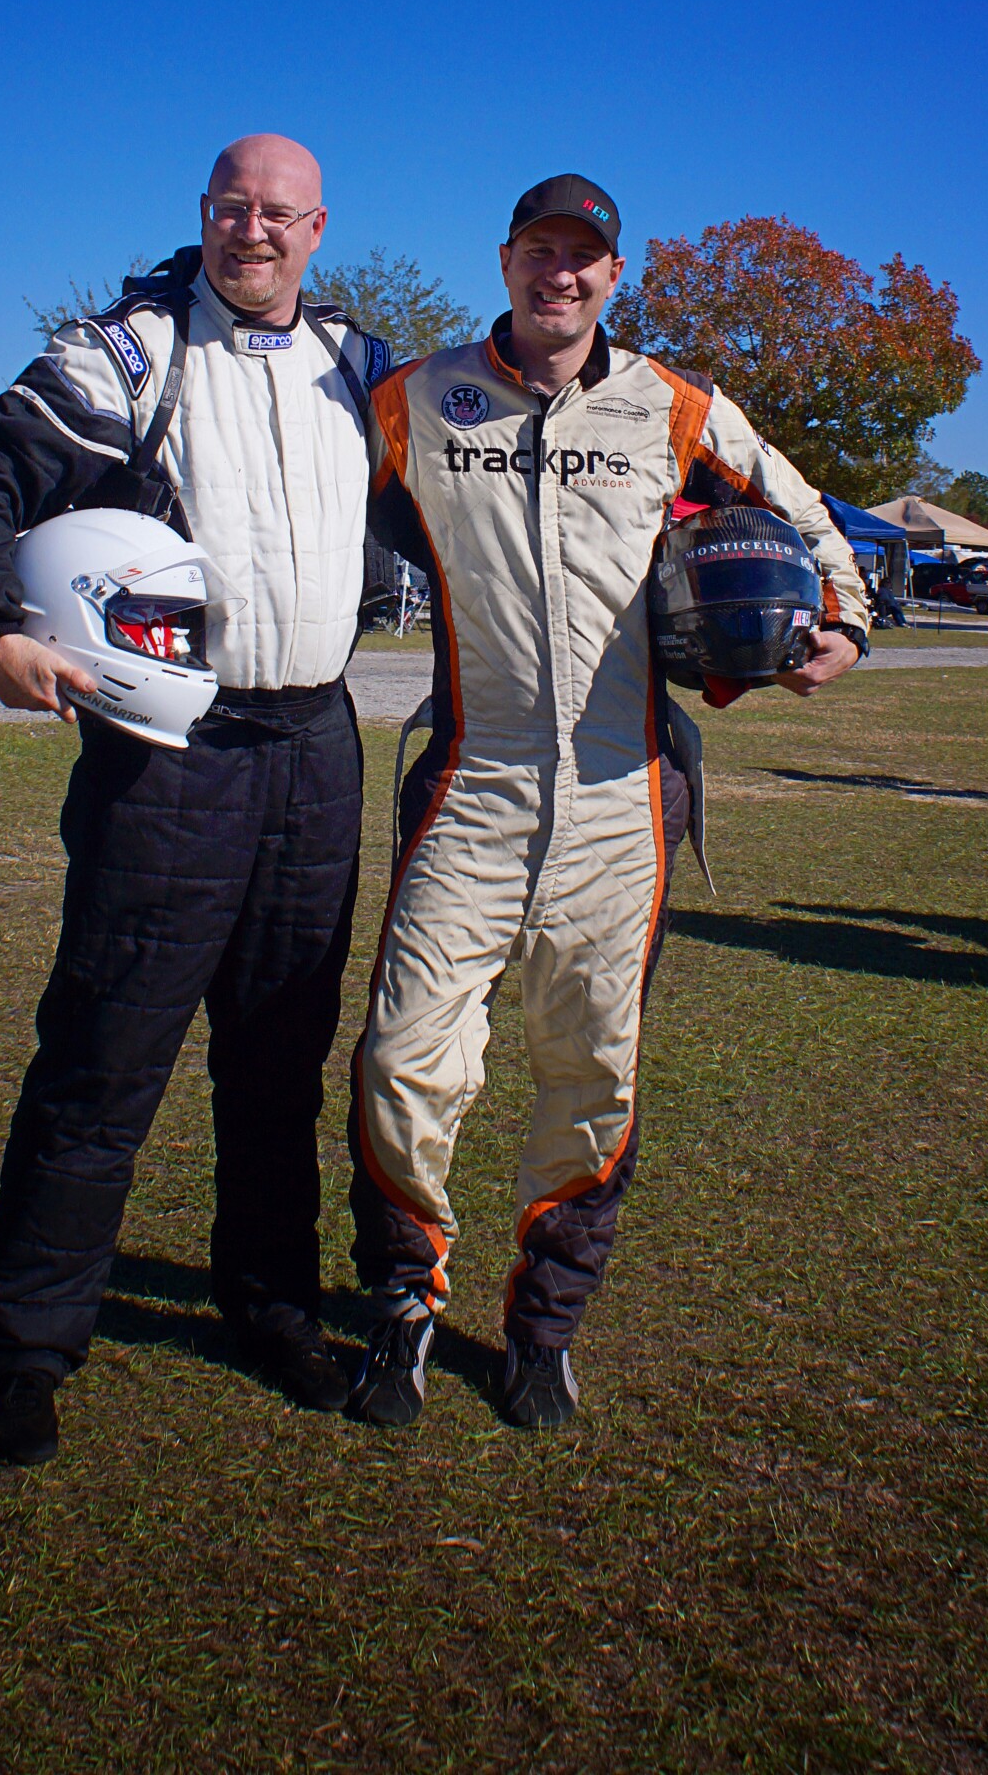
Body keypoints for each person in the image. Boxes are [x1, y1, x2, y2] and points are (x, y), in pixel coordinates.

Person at [347, 173, 870, 1431]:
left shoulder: (673, 403)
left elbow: (801, 509)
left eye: (581, 256)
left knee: (591, 1073)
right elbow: (296, 497)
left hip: (619, 795)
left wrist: (843, 620)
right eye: (538, 250)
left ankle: (543, 1329)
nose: (559, 273)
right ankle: (403, 1304)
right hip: (470, 777)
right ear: (505, 260)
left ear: (611, 274)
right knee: (402, 1059)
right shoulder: (415, 399)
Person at [0, 134, 390, 1464]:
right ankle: (27, 1349)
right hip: (170, 754)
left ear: (317, 229)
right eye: (234, 208)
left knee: (280, 1058)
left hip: (317, 750)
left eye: (280, 213)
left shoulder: (361, 366)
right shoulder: (126, 354)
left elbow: (471, 508)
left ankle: (272, 1306)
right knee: (105, 1055)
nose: (255, 230)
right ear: (205, 214)